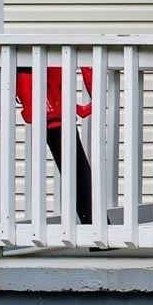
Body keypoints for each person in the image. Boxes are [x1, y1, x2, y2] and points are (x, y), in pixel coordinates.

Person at [13, 65, 94, 224]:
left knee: (76, 170)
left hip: (55, 112)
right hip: (52, 114)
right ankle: (94, 226)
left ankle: (93, 225)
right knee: (76, 170)